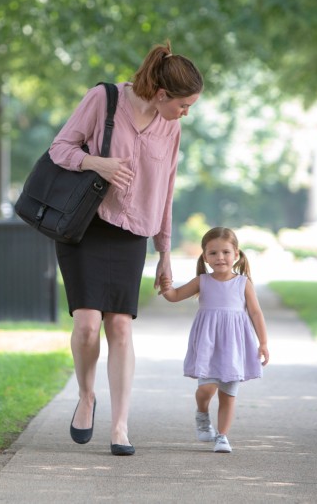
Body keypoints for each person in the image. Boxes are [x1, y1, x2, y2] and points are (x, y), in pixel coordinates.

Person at [47, 41, 203, 456]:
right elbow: (59, 149)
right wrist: (98, 163)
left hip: (132, 233)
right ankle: (85, 395)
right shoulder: (104, 100)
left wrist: (165, 252)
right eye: (184, 104)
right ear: (162, 93)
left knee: (120, 325)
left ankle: (119, 426)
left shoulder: (172, 128)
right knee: (85, 325)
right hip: (85, 226)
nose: (186, 112)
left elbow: (165, 192)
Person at [158, 227, 269, 453]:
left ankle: (222, 436)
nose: (220, 258)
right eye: (213, 253)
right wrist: (166, 286)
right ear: (205, 257)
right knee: (206, 389)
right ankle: (202, 413)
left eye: (226, 252)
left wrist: (263, 343)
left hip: (234, 346)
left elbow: (256, 313)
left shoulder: (243, 283)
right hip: (209, 344)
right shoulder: (202, 281)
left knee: (228, 393)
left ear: (236, 254)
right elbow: (175, 296)